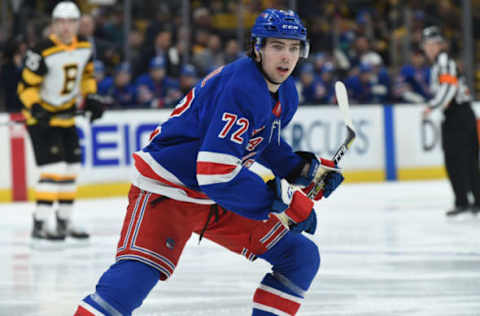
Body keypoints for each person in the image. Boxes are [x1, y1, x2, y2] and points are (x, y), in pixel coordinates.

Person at [75, 9, 344, 316]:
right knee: (127, 286)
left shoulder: (285, 92)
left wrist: (303, 169)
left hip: (218, 192)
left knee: (300, 257)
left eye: (294, 48)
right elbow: (215, 172)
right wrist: (283, 200)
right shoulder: (242, 85)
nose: (286, 57)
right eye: (277, 46)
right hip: (170, 189)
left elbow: (261, 141)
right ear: (258, 48)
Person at [17, 1, 105, 240]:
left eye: (70, 22)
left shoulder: (85, 46)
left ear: (78, 25)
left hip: (66, 117)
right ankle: (40, 223)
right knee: (53, 169)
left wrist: (91, 97)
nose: (65, 27)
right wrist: (35, 107)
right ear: (54, 25)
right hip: (42, 120)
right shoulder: (41, 50)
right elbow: (26, 86)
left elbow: (86, 76)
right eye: (61, 22)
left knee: (72, 169)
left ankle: (64, 221)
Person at [421, 26, 480, 217]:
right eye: (427, 45)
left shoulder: (444, 62)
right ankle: (475, 201)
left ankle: (463, 201)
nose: (428, 49)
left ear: (438, 45)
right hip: (463, 115)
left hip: (458, 116)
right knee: (469, 160)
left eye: (431, 44)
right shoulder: (441, 62)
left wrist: (432, 105)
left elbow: (448, 88)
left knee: (455, 160)